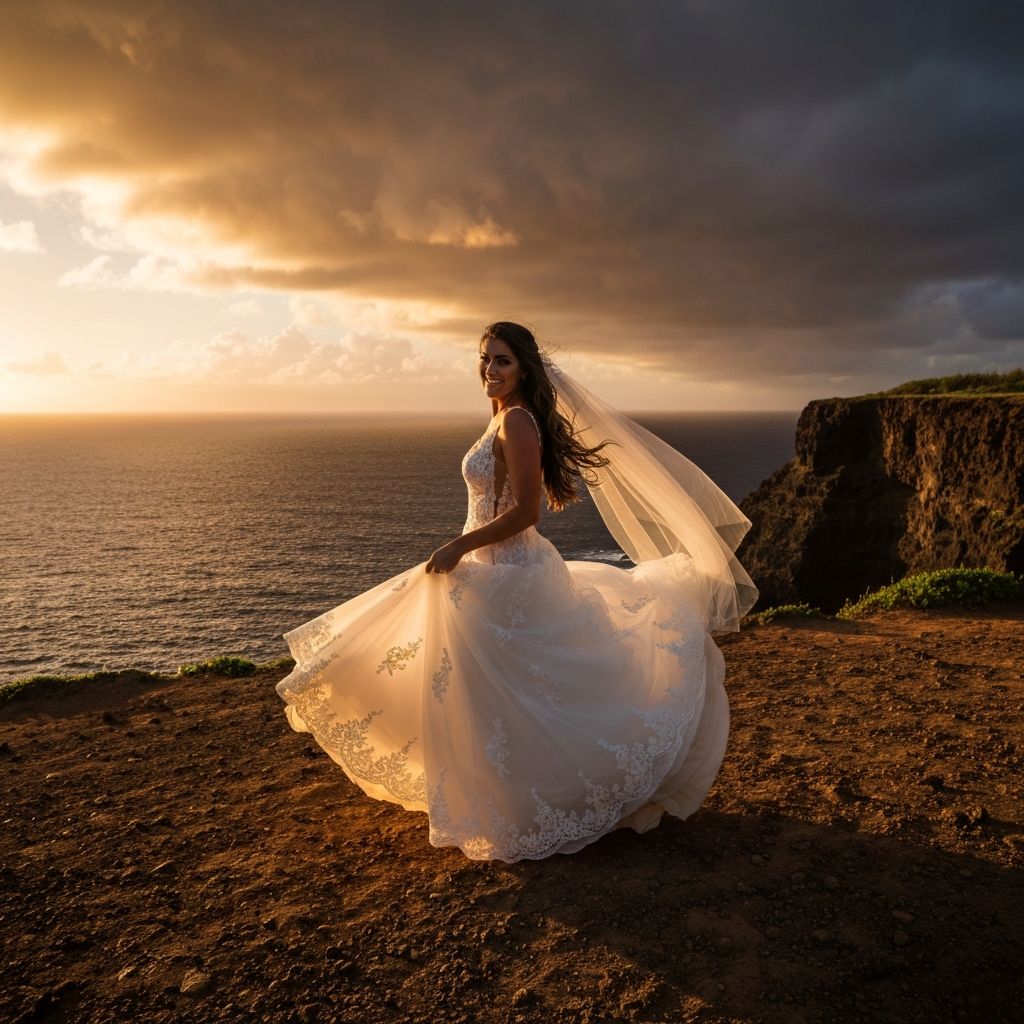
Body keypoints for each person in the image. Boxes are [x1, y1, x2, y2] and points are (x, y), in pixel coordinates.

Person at [276, 321, 757, 862]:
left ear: (524, 368)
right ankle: (502, 803)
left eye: (501, 360)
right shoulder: (503, 417)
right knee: (489, 692)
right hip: (488, 567)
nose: (489, 369)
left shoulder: (520, 422)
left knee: (524, 691)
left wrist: (460, 548)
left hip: (512, 572)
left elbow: (527, 514)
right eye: (485, 359)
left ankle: (539, 801)